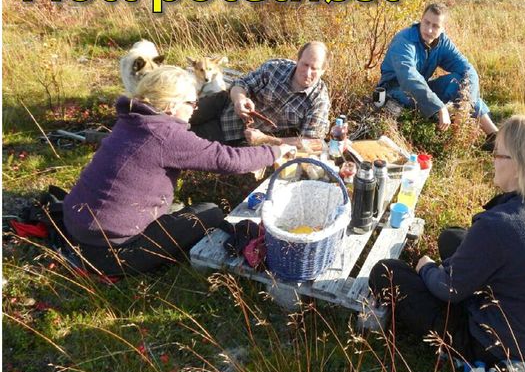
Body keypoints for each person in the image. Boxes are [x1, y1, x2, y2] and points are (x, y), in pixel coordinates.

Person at [368, 114, 525, 372]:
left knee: (385, 272)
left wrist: (426, 268)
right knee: (451, 237)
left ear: (520, 165)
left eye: (498, 154)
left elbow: (447, 289)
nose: (492, 159)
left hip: (500, 347)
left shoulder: (501, 226)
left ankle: (461, 349)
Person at [62, 66, 295, 276]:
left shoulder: (132, 120)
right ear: (172, 105)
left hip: (74, 228)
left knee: (180, 210)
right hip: (110, 254)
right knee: (210, 212)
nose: (194, 110)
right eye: (192, 103)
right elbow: (227, 160)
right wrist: (277, 150)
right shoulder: (165, 135)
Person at [377, 3, 498, 142]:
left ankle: (493, 136)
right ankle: (446, 139)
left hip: (422, 88)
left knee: (459, 80)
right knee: (429, 98)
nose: (429, 30)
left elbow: (467, 69)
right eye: (426, 22)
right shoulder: (404, 40)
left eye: (435, 26)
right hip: (395, 90)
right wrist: (439, 106)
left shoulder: (442, 42)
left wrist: (465, 106)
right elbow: (409, 78)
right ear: (421, 20)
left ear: (443, 29)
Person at [190, 41, 333, 146]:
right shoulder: (275, 68)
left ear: (323, 70)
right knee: (177, 117)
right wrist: (239, 99)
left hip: (238, 134)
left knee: (183, 139)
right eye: (304, 64)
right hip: (221, 103)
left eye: (314, 68)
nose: (307, 73)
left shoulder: (319, 101)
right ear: (298, 60)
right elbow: (240, 83)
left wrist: (266, 139)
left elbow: (311, 142)